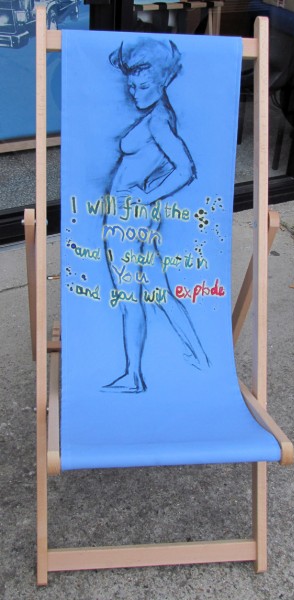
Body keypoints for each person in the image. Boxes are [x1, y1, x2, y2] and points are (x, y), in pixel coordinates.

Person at [102, 37, 210, 394]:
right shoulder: (159, 114)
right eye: (131, 85)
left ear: (163, 79)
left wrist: (146, 196)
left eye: (143, 85)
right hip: (137, 222)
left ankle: (133, 375)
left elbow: (185, 168)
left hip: (127, 222)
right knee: (159, 293)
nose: (135, 92)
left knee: (130, 298)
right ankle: (203, 359)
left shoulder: (159, 120)